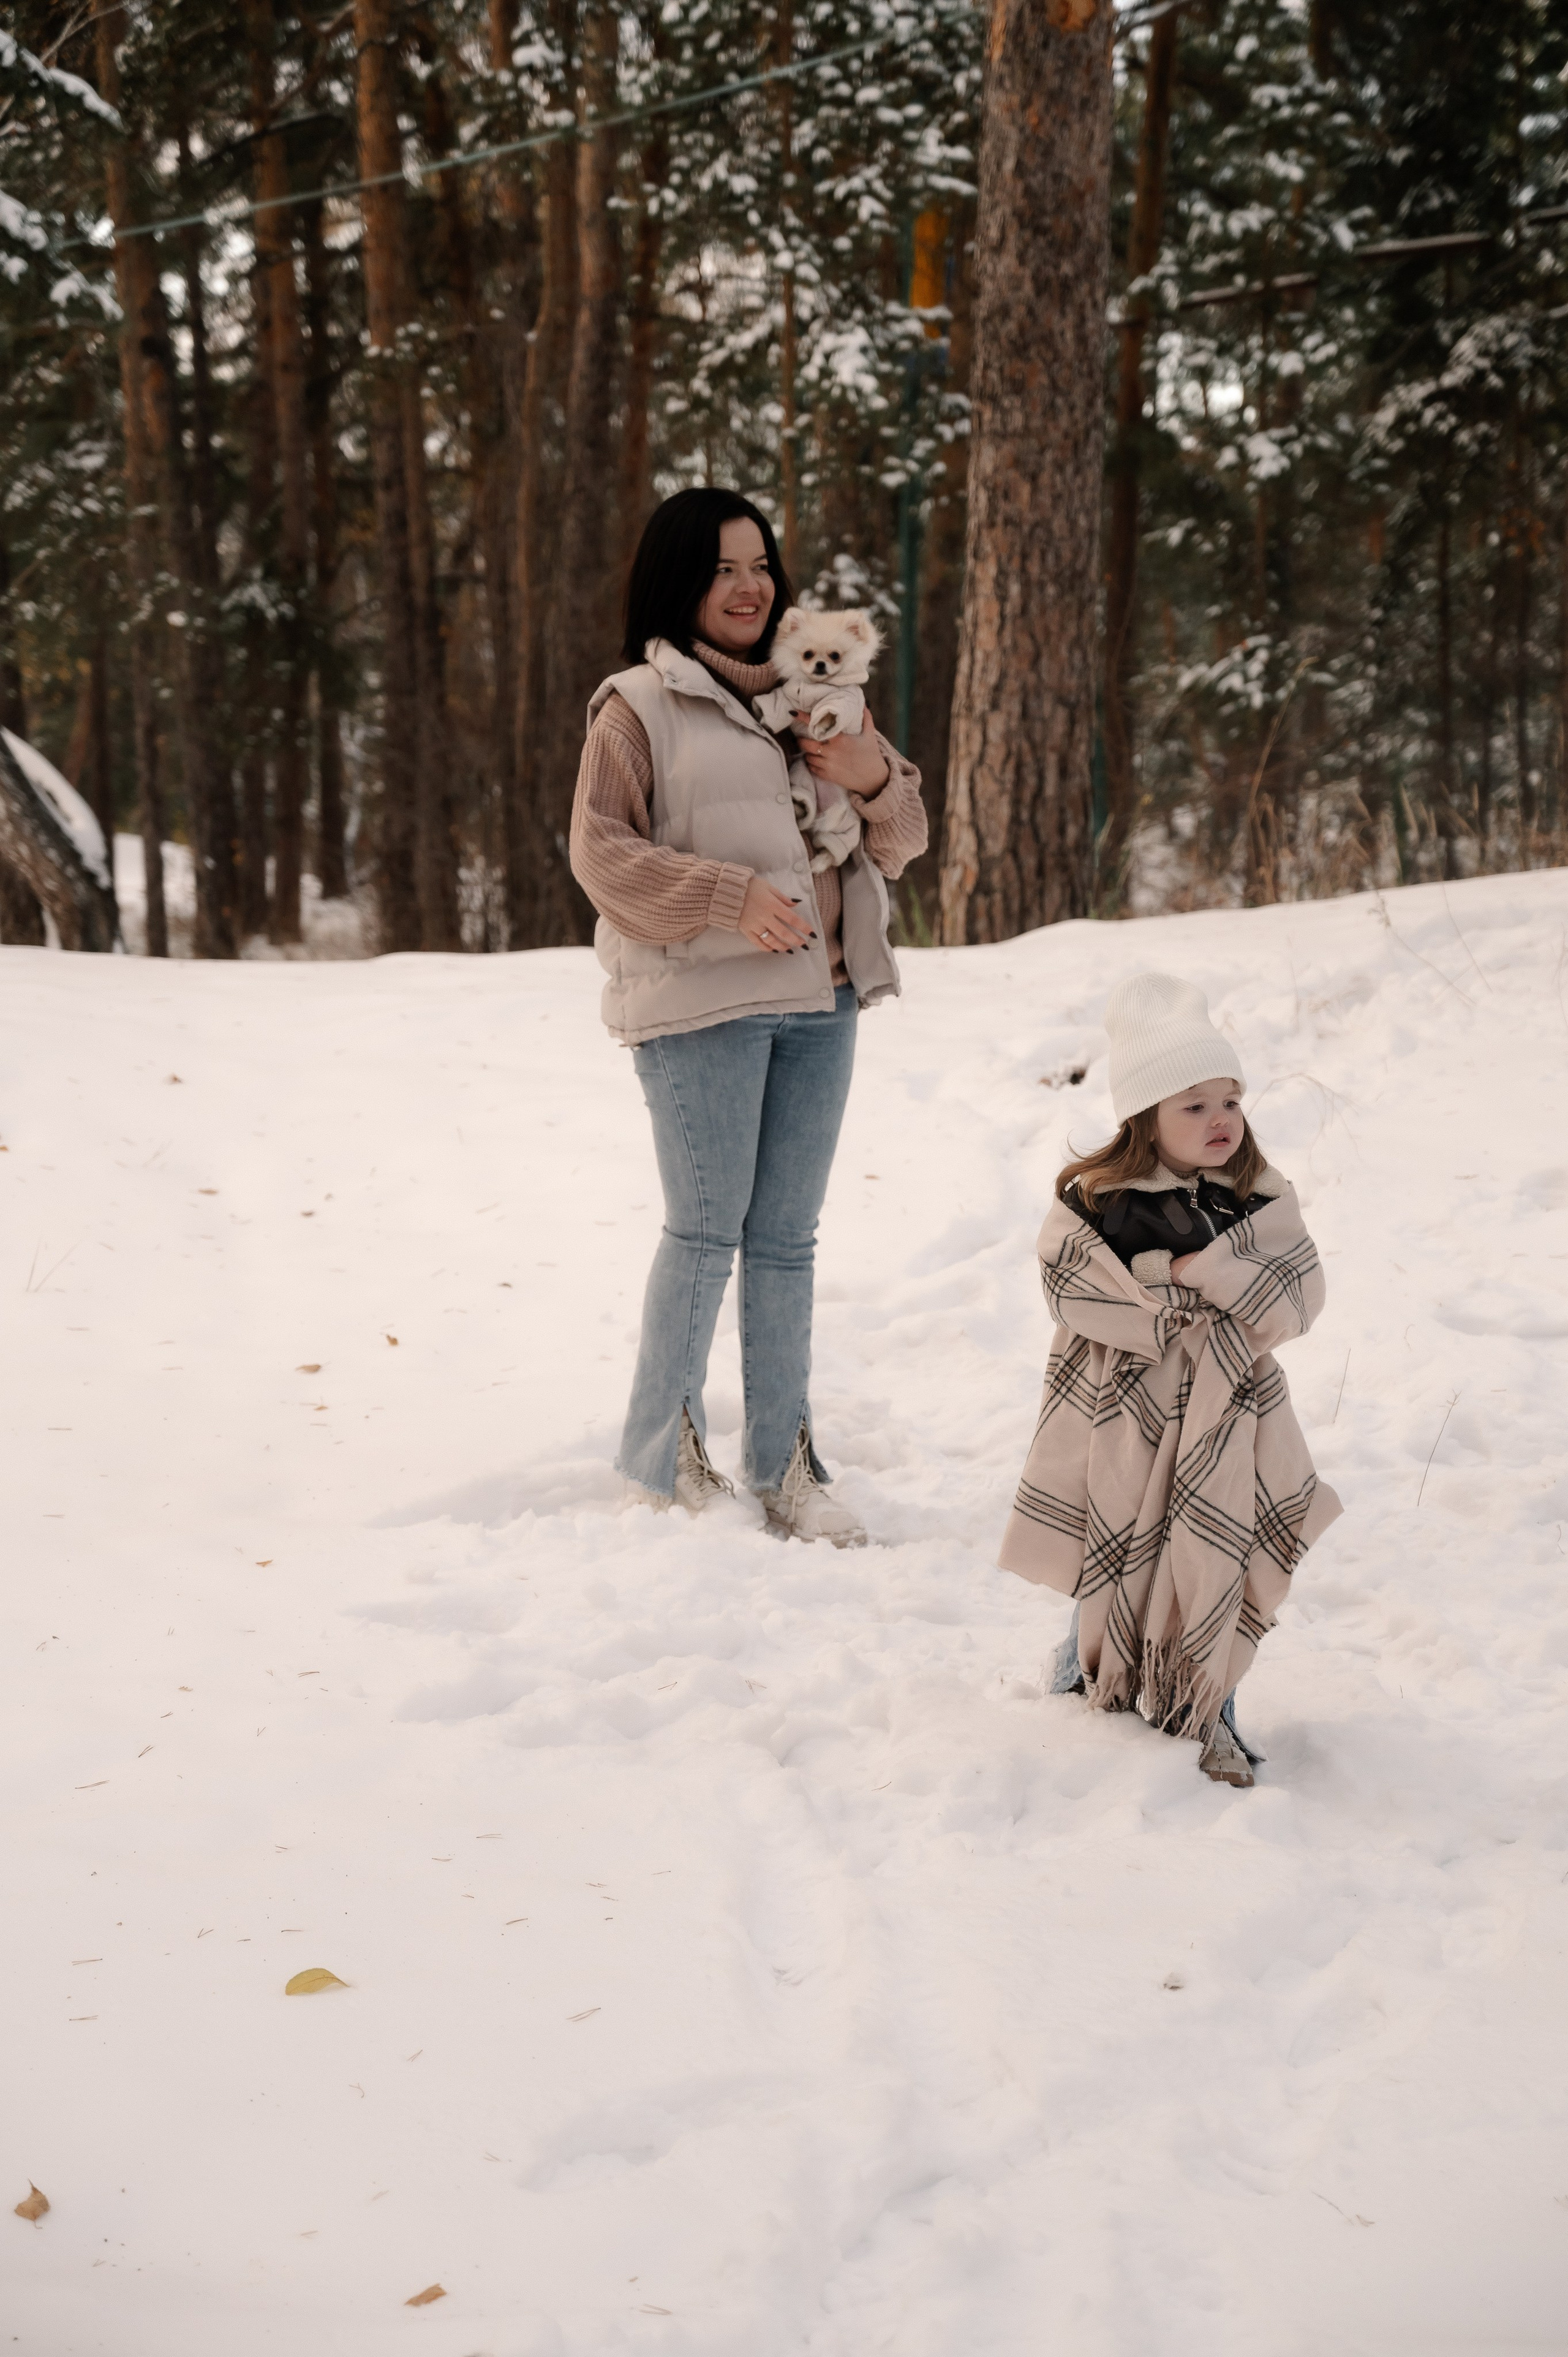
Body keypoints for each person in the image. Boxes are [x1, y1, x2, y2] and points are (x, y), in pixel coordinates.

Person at [569, 487, 927, 1544]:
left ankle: (785, 1468)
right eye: (723, 568)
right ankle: (667, 1456)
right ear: (679, 580)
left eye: (761, 564)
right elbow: (601, 853)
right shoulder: (637, 705)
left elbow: (901, 843)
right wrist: (729, 897)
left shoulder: (821, 692)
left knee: (786, 1243)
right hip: (706, 1006)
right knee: (704, 1233)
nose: (749, 586)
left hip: (827, 997)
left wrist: (872, 775)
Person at [997, 971, 1341, 1786]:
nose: (1221, 1119)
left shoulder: (1257, 1197)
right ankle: (1091, 1666)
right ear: (1145, 1118)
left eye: (1231, 1101)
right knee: (1123, 1543)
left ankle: (1208, 1707)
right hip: (1127, 1410)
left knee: (1219, 1547)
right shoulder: (1103, 1202)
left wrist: (1200, 1273)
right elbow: (1072, 1283)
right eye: (1194, 1106)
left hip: (1229, 1411)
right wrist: (1166, 1280)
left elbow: (1297, 1288)